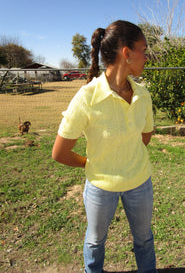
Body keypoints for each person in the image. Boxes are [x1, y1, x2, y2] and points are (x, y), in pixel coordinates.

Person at [52, 20, 156, 273]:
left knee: (144, 240)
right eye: (143, 48)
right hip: (100, 188)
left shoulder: (143, 94)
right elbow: (60, 153)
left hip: (140, 183)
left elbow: (145, 136)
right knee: (95, 241)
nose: (147, 56)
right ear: (126, 53)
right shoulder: (87, 97)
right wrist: (93, 163)